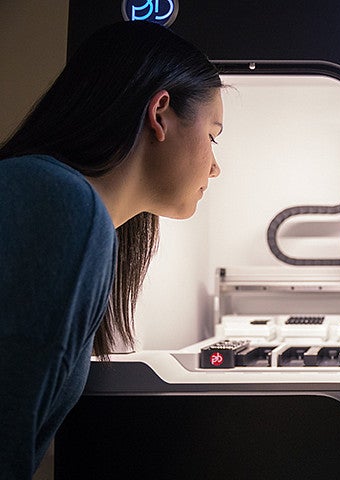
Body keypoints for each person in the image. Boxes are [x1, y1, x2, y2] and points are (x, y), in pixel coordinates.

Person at [0, 20, 223, 478]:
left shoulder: (66, 205)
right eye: (213, 135)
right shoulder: (60, 203)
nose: (215, 166)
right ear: (161, 112)